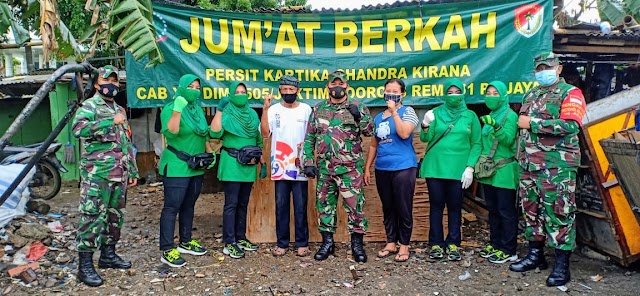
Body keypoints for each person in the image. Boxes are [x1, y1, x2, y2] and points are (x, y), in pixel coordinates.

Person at [509, 52, 587, 287]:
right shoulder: (532, 94)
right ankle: (535, 255)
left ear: (558, 68)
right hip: (529, 165)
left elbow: (571, 126)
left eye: (548, 67)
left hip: (557, 166)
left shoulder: (570, 93)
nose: (543, 71)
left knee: (559, 212)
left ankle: (562, 266)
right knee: (531, 210)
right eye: (539, 68)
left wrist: (533, 123)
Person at [72, 65, 139, 287]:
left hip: (119, 174)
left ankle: (108, 256)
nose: (111, 85)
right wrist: (109, 122)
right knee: (92, 217)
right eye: (106, 81)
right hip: (97, 175)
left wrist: (133, 169)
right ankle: (85, 266)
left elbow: (126, 141)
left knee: (114, 217)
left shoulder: (119, 108)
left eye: (115, 81)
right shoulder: (90, 105)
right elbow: (78, 130)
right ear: (97, 84)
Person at [303, 70, 374, 262]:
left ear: (347, 86)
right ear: (327, 87)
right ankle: (327, 243)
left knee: (355, 208)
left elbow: (370, 133)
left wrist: (359, 117)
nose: (337, 87)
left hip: (350, 170)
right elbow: (310, 138)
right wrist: (308, 162)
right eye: (333, 84)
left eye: (340, 84)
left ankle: (357, 245)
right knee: (325, 207)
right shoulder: (318, 109)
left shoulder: (357, 106)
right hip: (325, 169)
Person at [419, 78, 481, 261]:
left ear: (463, 93)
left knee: (455, 207)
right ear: (444, 94)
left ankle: (453, 243)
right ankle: (436, 244)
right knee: (436, 206)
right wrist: (425, 124)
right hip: (435, 167)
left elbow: (477, 144)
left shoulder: (470, 116)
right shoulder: (435, 112)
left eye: (457, 92)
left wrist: (470, 167)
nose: (454, 95)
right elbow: (425, 138)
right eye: (450, 92)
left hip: (459, 170)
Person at [158, 74, 215, 268]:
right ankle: (167, 249)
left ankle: (185, 241)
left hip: (195, 166)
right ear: (181, 88)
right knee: (172, 207)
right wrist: (177, 110)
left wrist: (210, 152)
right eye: (190, 86)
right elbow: (171, 131)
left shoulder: (197, 110)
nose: (194, 90)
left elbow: (203, 133)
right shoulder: (170, 109)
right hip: (176, 165)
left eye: (197, 87)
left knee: (189, 205)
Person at [364, 78, 419, 262]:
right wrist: (367, 168)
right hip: (382, 168)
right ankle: (391, 242)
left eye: (396, 92)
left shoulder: (408, 112)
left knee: (403, 206)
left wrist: (394, 111)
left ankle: (404, 245)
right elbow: (373, 145)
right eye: (388, 91)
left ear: (402, 94)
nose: (391, 94)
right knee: (388, 206)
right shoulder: (378, 118)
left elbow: (404, 133)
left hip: (404, 167)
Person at [211, 81, 266, 259]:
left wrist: (262, 161)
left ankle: (241, 237)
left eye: (244, 92)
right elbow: (215, 133)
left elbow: (257, 138)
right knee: (231, 204)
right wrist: (219, 110)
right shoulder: (226, 113)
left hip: (249, 164)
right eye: (237, 92)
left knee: (243, 203)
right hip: (232, 164)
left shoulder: (251, 114)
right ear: (231, 95)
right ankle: (229, 242)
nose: (241, 94)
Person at [260, 75, 312, 257]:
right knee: (281, 205)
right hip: (280, 165)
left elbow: (312, 135)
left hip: (299, 165)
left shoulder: (306, 110)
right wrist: (265, 108)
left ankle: (302, 243)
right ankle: (282, 243)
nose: (288, 93)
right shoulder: (274, 109)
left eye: (291, 89)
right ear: (280, 90)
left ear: (297, 90)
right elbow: (265, 133)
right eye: (284, 89)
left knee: (300, 205)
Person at [475, 81, 520, 264]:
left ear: (503, 96)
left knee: (506, 210)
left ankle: (509, 249)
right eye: (488, 93)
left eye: (495, 93)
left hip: (505, 170)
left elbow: (509, 141)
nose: (491, 96)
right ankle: (495, 244)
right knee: (493, 210)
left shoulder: (510, 116)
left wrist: (496, 127)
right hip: (489, 171)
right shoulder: (491, 114)